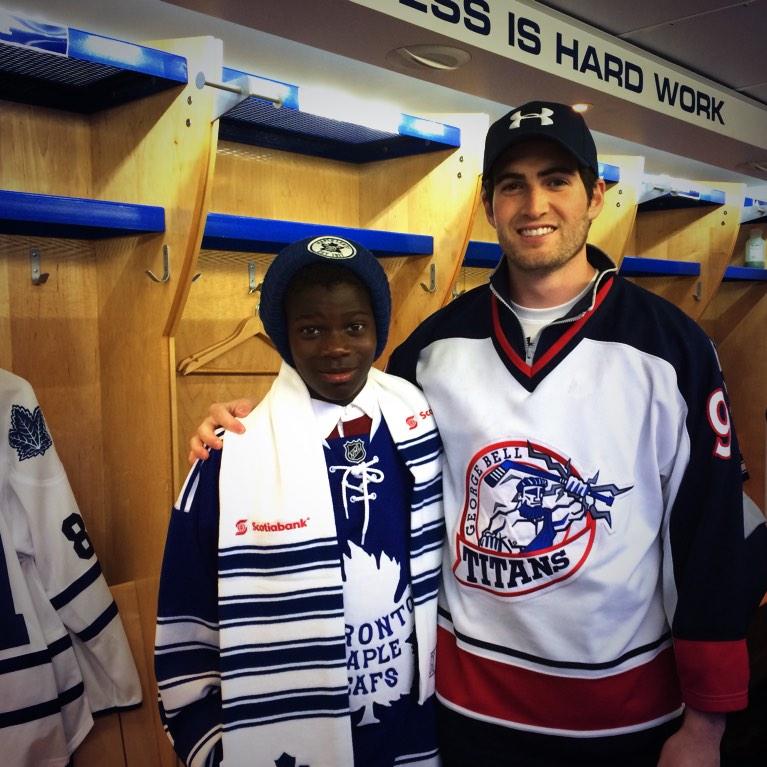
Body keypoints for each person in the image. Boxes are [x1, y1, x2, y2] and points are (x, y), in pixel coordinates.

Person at [187, 102, 754, 766]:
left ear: (595, 195)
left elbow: (712, 532)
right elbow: (343, 435)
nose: (532, 202)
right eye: (511, 183)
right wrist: (247, 432)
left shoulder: (672, 348)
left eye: (555, 180)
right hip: (465, 714)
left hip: (624, 717)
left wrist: (706, 725)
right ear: (488, 203)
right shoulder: (430, 348)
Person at [155, 235, 444, 767]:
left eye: (355, 327)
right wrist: (208, 743)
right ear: (283, 338)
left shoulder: (423, 428)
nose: (336, 346)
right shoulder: (230, 457)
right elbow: (186, 617)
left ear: (378, 330)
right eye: (311, 329)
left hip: (414, 733)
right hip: (285, 740)